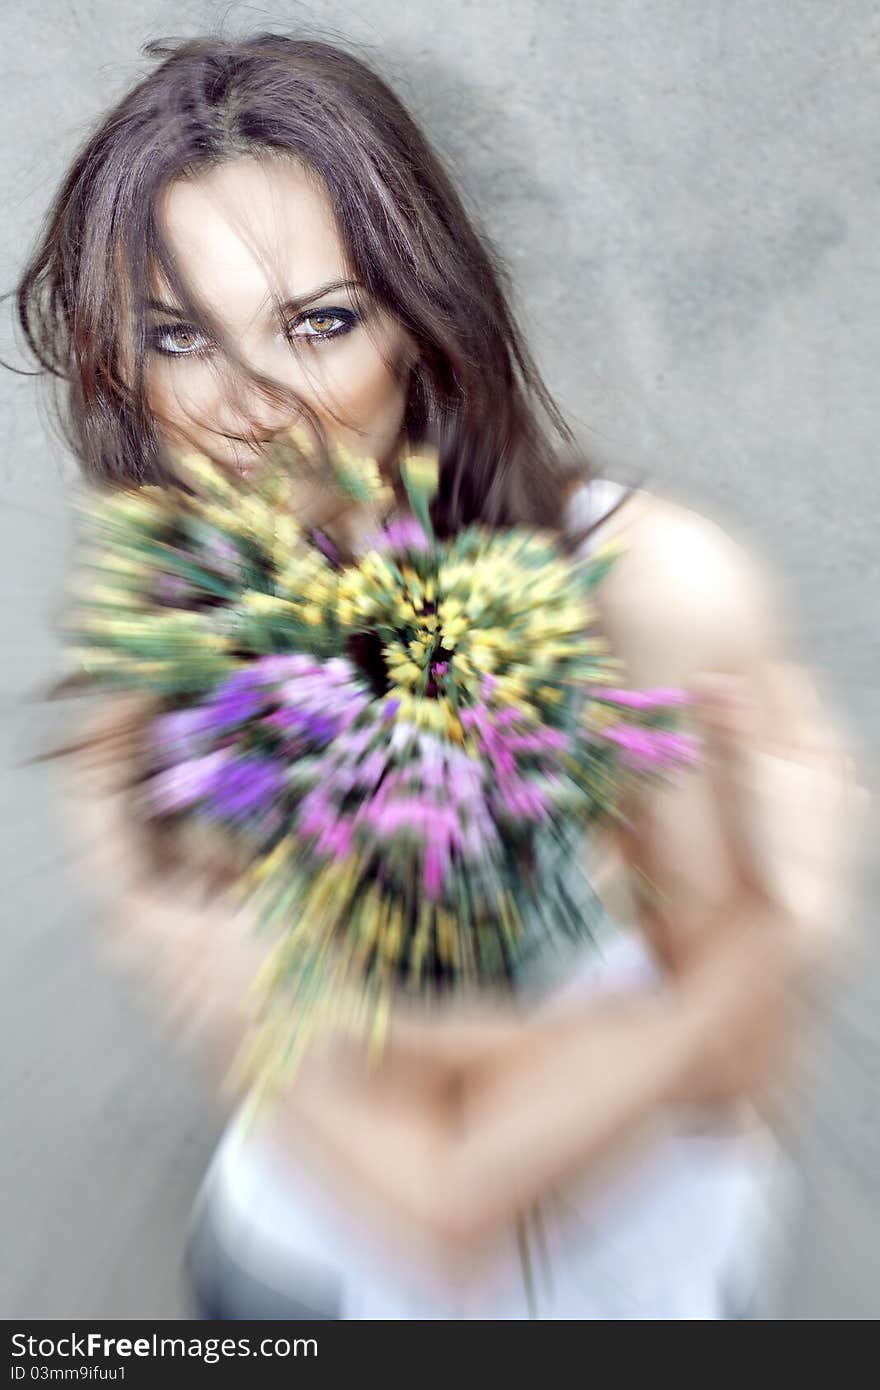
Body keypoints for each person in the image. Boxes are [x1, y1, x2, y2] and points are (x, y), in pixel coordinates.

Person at [13, 31, 868, 1318]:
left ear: (423, 321)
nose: (252, 407)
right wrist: (768, 938)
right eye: (179, 336)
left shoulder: (647, 594)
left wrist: (710, 985)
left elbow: (740, 1065)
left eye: (320, 321)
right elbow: (430, 1187)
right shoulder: (159, 690)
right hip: (293, 1286)